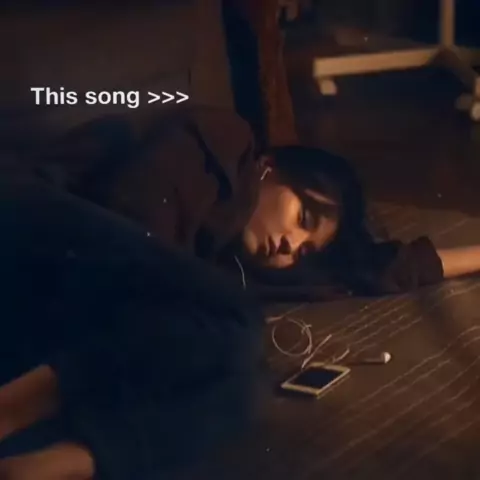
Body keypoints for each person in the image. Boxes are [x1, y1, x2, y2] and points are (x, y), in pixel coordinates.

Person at [0, 107, 479, 480]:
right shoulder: (222, 141)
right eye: (303, 218)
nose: (291, 245)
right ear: (269, 169)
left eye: (304, 250)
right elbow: (131, 216)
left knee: (248, 381)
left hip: (46, 311)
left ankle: (49, 466)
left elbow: (377, 268)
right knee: (234, 323)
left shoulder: (234, 264)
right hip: (31, 222)